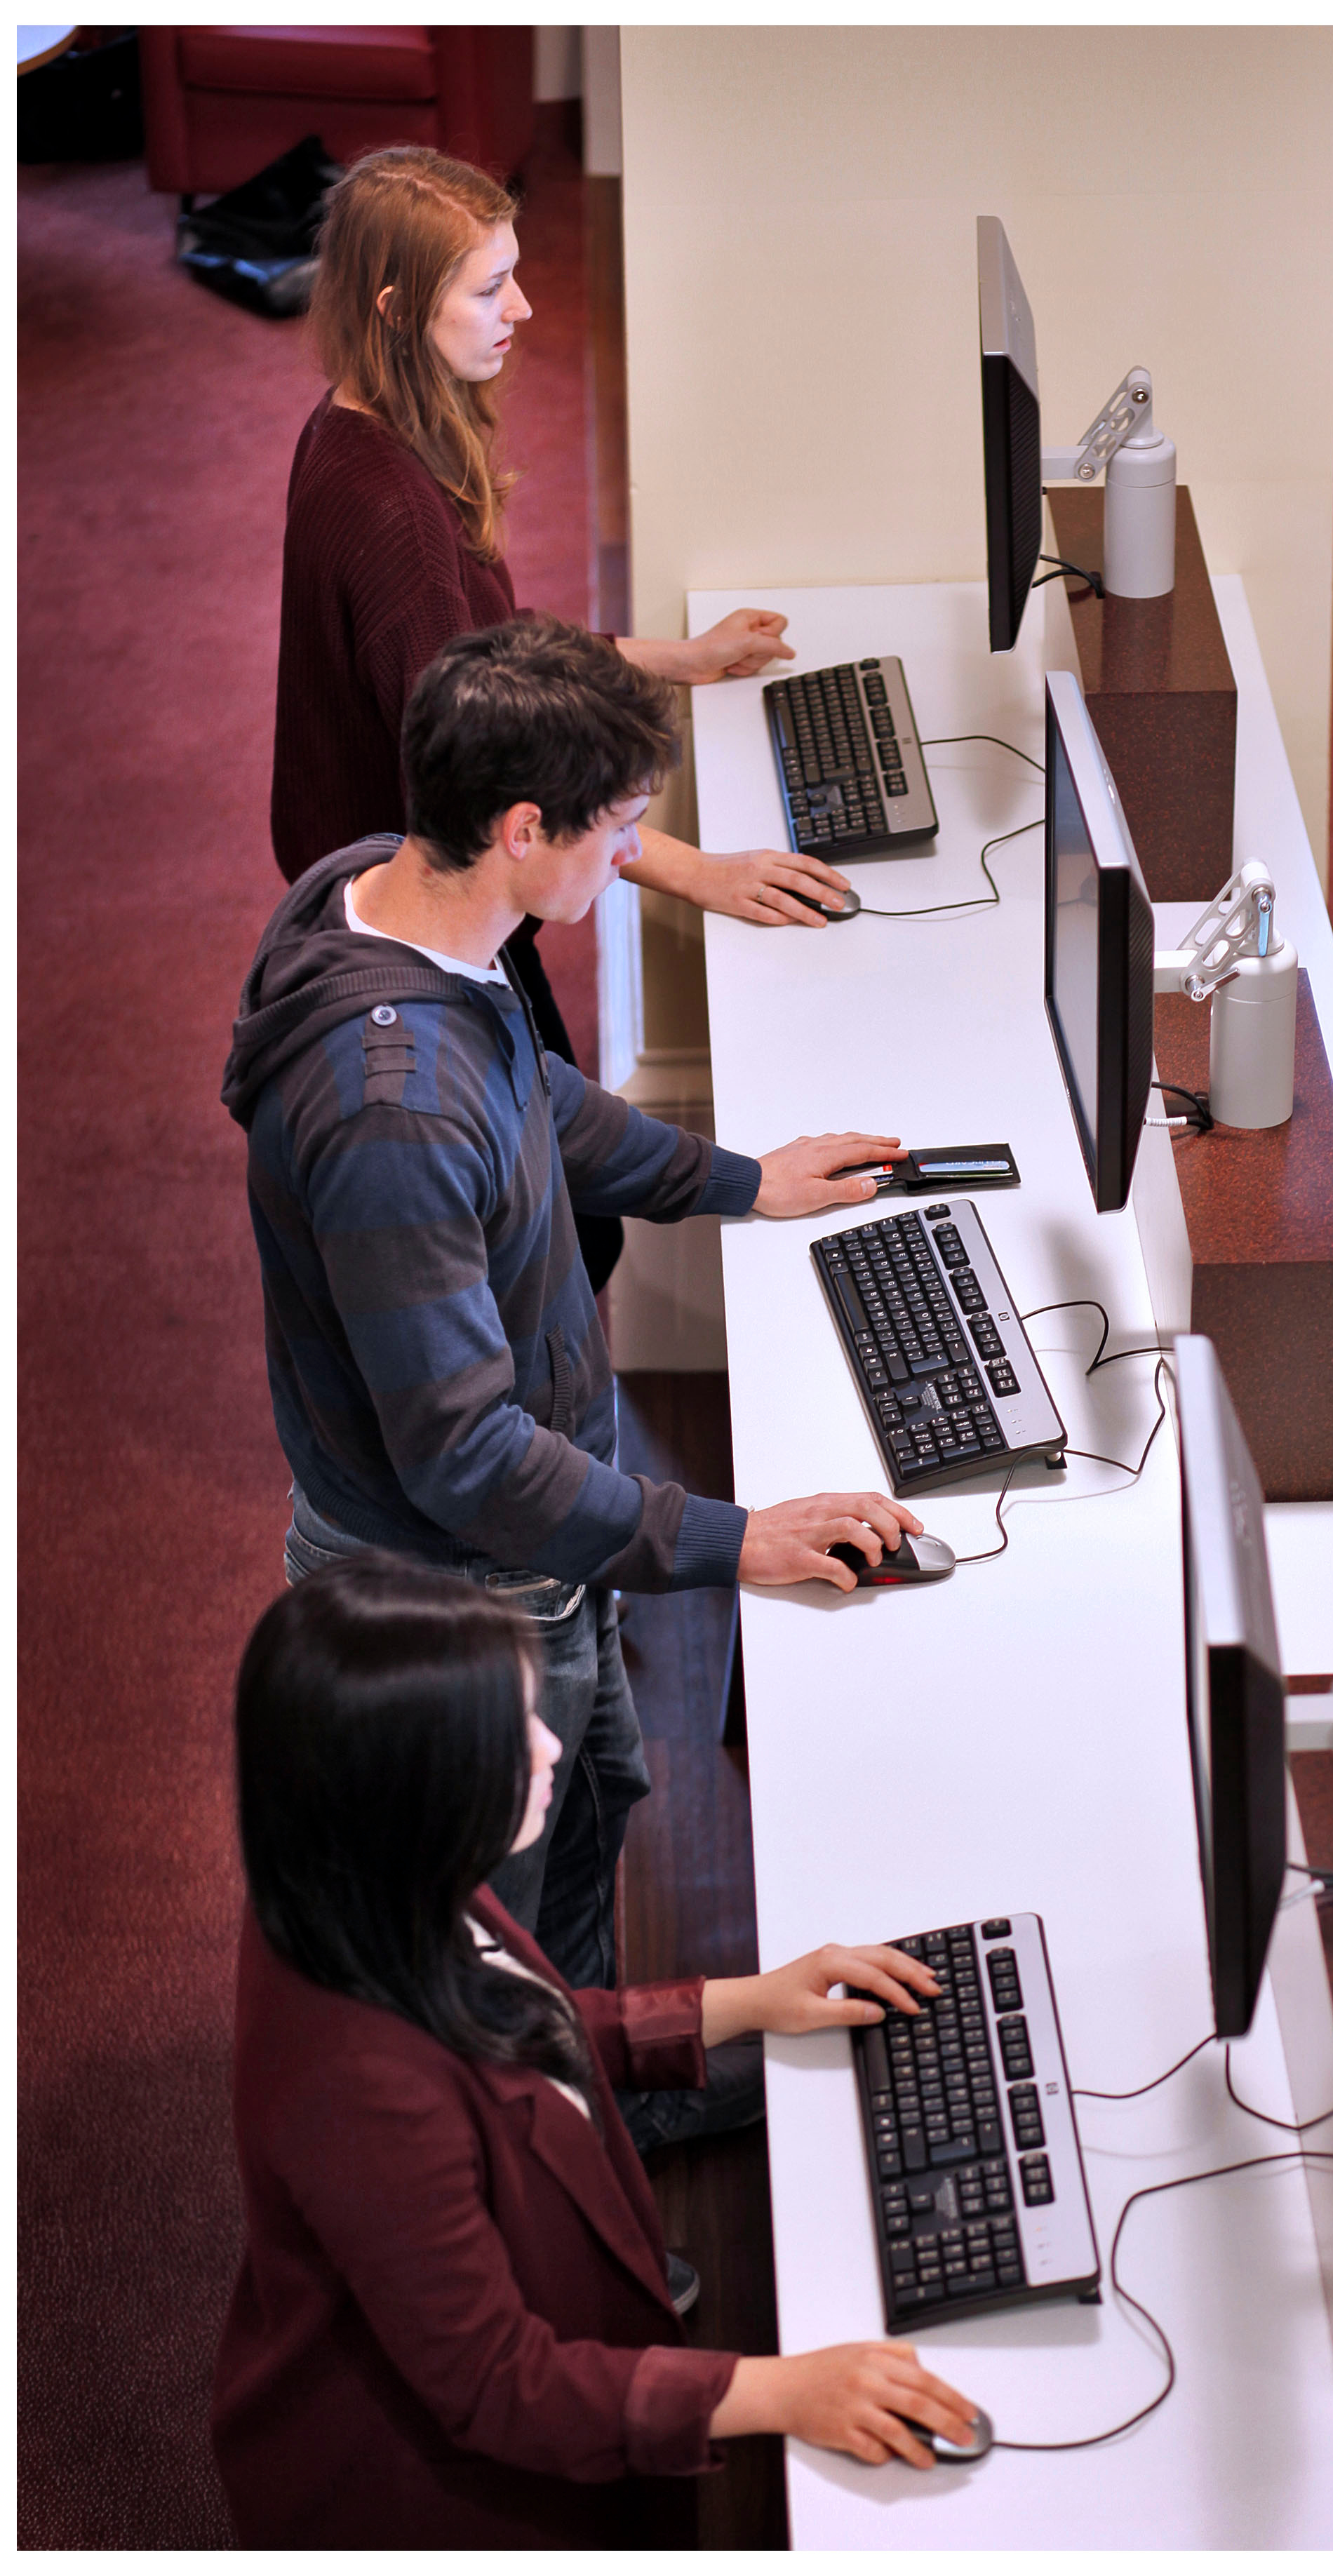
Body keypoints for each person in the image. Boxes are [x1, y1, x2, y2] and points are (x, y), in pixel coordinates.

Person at [223, 612, 918, 2076]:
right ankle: (559, 2192)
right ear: (523, 827)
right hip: (466, 1583)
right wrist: (730, 1540)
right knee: (494, 1959)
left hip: (539, 1534)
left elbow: (532, 1088)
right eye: (619, 828)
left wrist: (740, 1183)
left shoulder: (382, 887)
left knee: (597, 1809)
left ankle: (619, 2109)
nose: (631, 853)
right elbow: (469, 1457)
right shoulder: (391, 1118)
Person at [212, 1557, 983, 2547]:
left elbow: (517, 2015)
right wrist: (778, 2389)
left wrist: (743, 2001)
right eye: (510, 1740)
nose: (546, 1750)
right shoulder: (364, 2094)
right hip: (447, 2498)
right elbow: (499, 2384)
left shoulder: (365, 1876)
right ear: (417, 1793)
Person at [272, 147, 850, 1292]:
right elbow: (498, 755)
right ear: (396, 308)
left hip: (418, 866)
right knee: (562, 1231)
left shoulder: (377, 427)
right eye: (489, 288)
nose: (524, 309)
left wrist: (672, 658)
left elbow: (491, 650)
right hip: (417, 898)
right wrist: (693, 869)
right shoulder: (384, 506)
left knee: (572, 1200)